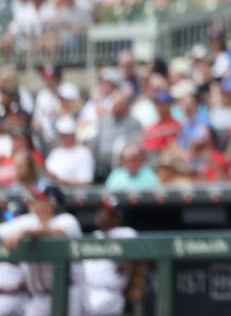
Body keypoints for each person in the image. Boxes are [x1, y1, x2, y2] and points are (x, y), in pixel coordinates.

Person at [0, 180, 84, 316]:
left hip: (67, 293)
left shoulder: (67, 219)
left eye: (38, 198)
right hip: (39, 297)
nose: (32, 201)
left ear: (52, 203)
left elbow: (58, 232)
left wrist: (27, 233)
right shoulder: (30, 221)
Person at [82, 197, 137, 316]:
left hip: (108, 293)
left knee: (86, 310)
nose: (100, 214)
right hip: (86, 290)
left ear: (117, 218)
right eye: (100, 210)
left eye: (105, 212)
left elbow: (124, 265)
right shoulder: (95, 236)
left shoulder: (126, 233)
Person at [45, 116, 95, 186]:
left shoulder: (83, 153)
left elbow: (86, 184)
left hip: (70, 195)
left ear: (73, 135)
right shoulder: (55, 152)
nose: (62, 137)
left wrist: (60, 181)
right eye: (61, 134)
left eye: (65, 135)